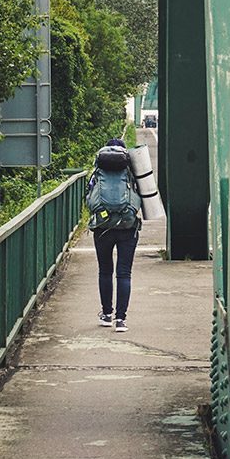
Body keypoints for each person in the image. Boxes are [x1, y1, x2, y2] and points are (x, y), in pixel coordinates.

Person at [88, 138, 142, 332]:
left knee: (105, 271)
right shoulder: (130, 170)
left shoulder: (98, 171)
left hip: (102, 227)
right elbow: (143, 195)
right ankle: (121, 320)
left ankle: (106, 314)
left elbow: (89, 195)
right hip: (127, 226)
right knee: (124, 273)